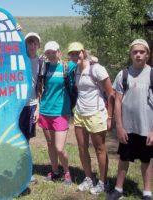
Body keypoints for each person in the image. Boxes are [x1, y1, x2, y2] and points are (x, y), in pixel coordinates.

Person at [107, 39, 153, 200]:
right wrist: (119, 126)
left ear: (147, 54)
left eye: (142, 52)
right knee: (124, 158)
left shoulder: (152, 74)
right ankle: (118, 189)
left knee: (146, 160)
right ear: (131, 54)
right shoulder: (123, 74)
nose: (138, 55)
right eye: (135, 52)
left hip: (146, 128)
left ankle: (147, 192)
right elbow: (117, 101)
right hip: (127, 127)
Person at [68, 42, 115, 195]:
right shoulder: (75, 70)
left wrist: (109, 116)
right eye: (72, 54)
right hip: (80, 114)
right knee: (82, 148)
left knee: (100, 149)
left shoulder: (97, 69)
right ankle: (89, 179)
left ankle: (103, 182)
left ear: (83, 52)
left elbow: (111, 93)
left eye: (77, 53)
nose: (75, 56)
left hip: (96, 113)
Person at [38, 41, 76, 185]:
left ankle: (67, 173)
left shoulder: (68, 66)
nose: (51, 55)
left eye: (54, 52)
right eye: (48, 52)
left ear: (59, 52)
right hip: (45, 110)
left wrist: (91, 60)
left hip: (61, 112)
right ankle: (55, 171)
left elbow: (82, 63)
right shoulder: (44, 67)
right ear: (45, 54)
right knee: (50, 144)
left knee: (59, 148)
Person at [19, 32, 41, 182]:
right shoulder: (20, 59)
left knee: (26, 139)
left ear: (38, 45)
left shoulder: (42, 62)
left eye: (35, 43)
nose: (32, 45)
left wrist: (38, 107)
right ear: (25, 44)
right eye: (29, 42)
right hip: (17, 106)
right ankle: (16, 167)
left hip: (32, 105)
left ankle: (25, 170)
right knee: (16, 137)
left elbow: (40, 86)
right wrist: (17, 33)